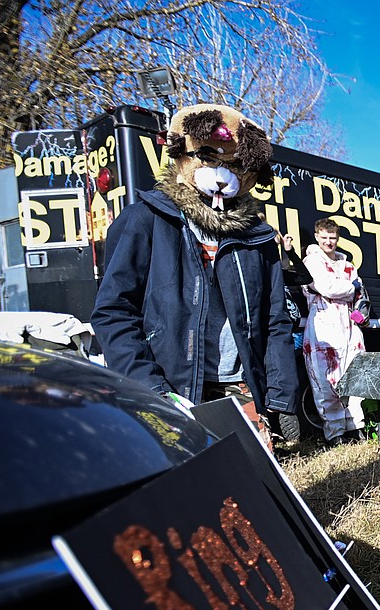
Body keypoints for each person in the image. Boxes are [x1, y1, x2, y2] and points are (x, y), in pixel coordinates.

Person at [92, 103, 297, 442]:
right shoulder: (145, 221)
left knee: (247, 487)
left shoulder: (258, 237)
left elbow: (275, 320)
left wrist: (281, 396)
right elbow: (113, 313)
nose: (221, 173)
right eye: (209, 158)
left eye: (232, 164)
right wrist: (150, 388)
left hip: (239, 388)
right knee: (181, 489)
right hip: (169, 390)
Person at [301, 218, 366, 445]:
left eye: (333, 238)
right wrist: (350, 287)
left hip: (349, 326)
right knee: (325, 379)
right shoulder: (311, 261)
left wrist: (352, 291)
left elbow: (359, 292)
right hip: (323, 325)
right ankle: (335, 432)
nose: (329, 242)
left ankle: (356, 427)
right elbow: (327, 287)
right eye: (324, 237)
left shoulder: (347, 264)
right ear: (317, 237)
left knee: (353, 377)